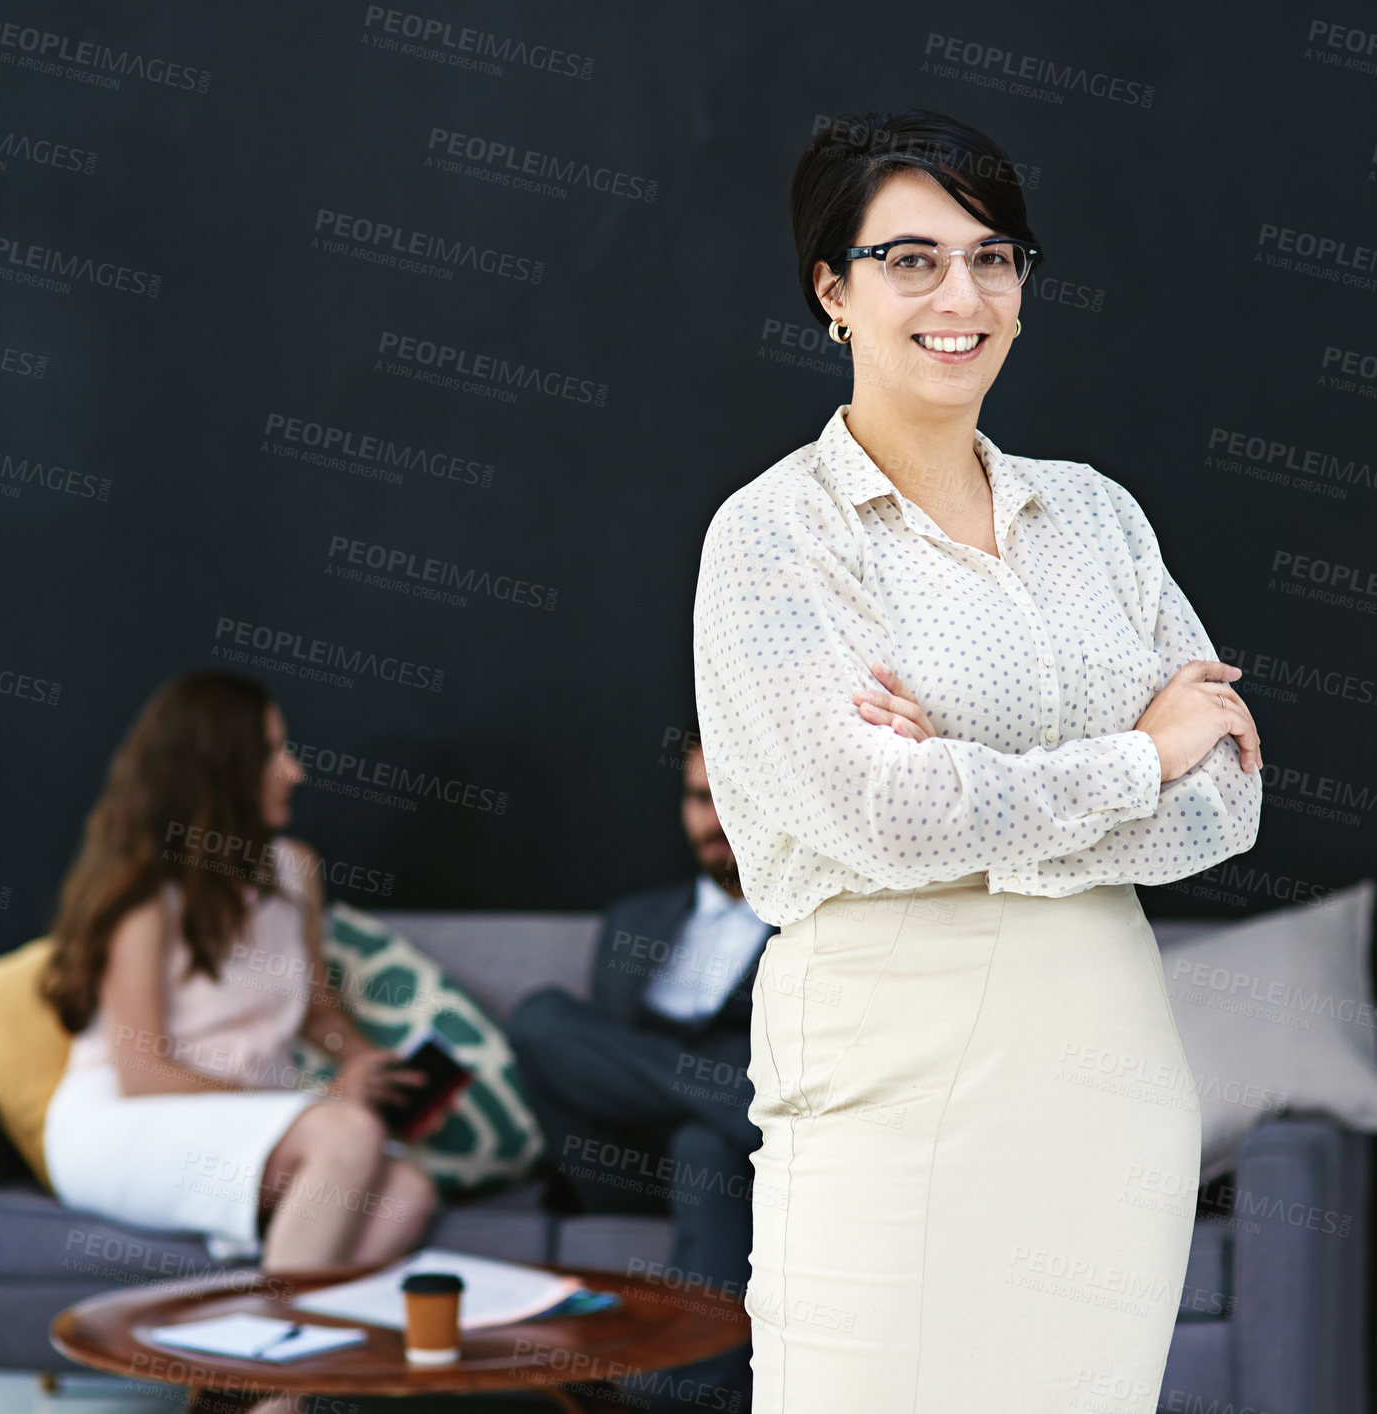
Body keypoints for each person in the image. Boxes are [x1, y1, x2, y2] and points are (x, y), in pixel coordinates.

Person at [691, 108, 1264, 1414]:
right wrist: (1132, 754)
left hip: (1105, 1052)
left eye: (993, 258)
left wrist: (976, 779)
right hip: (883, 1060)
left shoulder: (1097, 516)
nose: (963, 295)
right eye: (911, 259)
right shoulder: (775, 534)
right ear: (831, 290)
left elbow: (1223, 795)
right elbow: (877, 816)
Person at [39, 671, 440, 1278]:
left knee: (408, 1192)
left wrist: (365, 1064)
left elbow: (315, 1012)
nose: (294, 771)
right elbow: (143, 1073)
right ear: (217, 771)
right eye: (271, 753)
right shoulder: (147, 896)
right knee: (344, 1135)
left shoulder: (294, 870)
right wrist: (314, 1102)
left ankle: (267, 1340)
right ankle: (272, 1357)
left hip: (255, 1117)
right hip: (127, 1121)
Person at [505, 727, 772, 1414]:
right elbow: (598, 1066)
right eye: (697, 799)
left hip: (729, 1164)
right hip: (615, 1158)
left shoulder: (804, 923)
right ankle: (739, 1103)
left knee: (703, 1142)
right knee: (539, 1017)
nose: (712, 821)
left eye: (728, 799)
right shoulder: (636, 920)